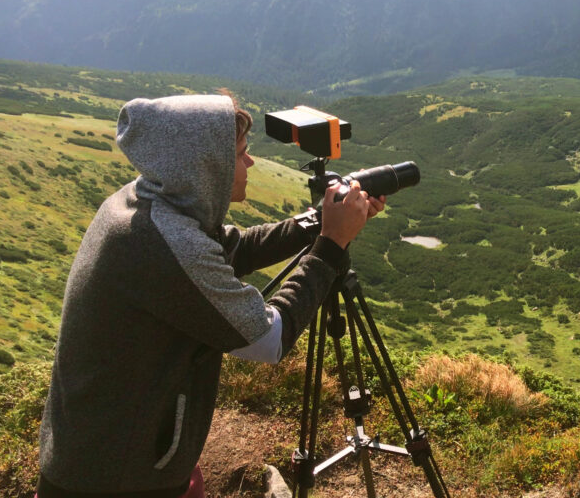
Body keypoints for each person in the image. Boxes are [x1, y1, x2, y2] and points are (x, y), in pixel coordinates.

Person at [36, 93, 384, 498]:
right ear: (206, 167)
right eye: (240, 154)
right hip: (114, 479)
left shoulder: (149, 203)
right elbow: (268, 339)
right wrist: (331, 244)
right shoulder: (165, 243)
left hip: (112, 449)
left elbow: (236, 248)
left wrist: (316, 223)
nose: (250, 162)